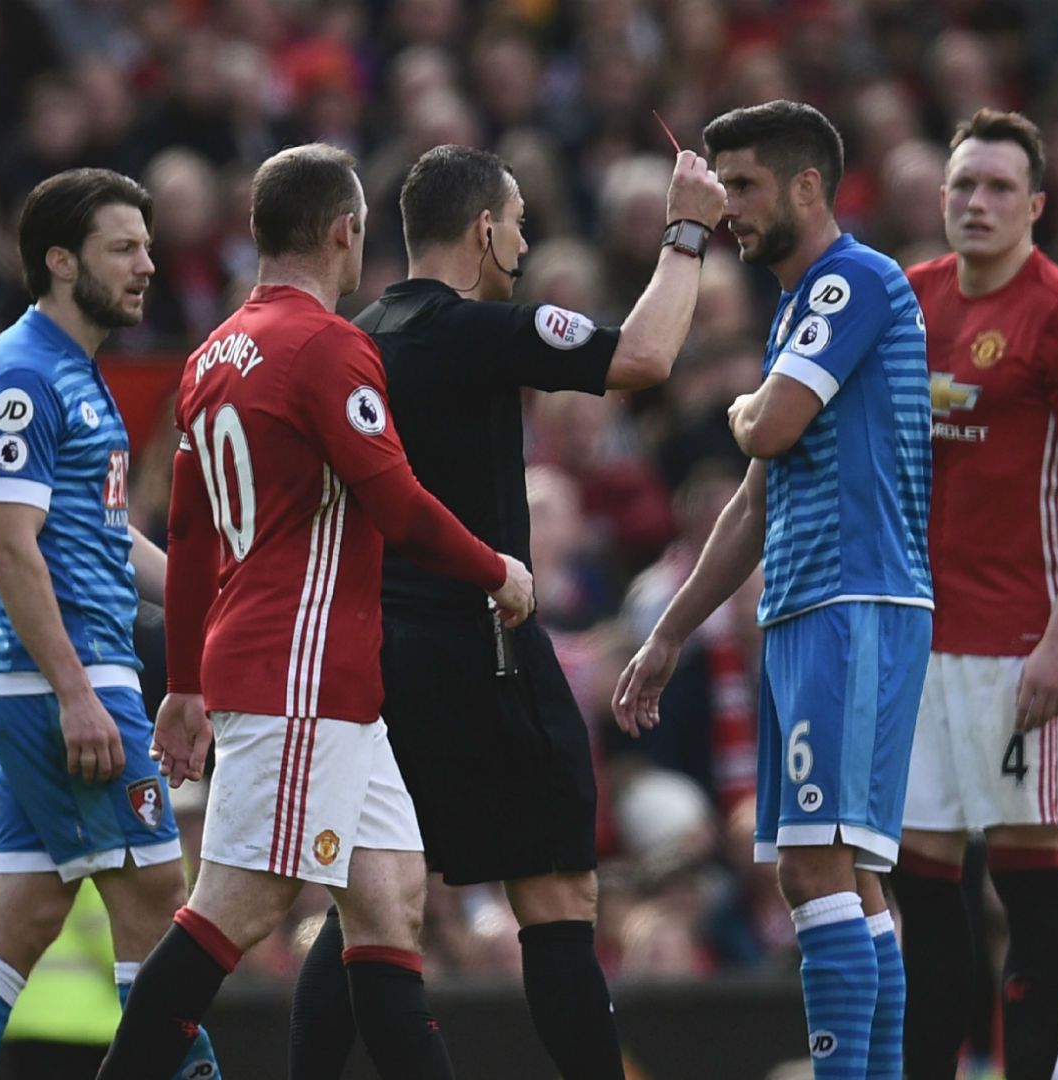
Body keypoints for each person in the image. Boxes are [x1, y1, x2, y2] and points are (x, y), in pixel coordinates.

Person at [283, 143, 725, 1080]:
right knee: (557, 895)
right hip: (481, 647)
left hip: (379, 660)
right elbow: (644, 357)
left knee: (369, 907)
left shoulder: (358, 336)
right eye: (518, 222)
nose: (524, 244)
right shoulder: (476, 330)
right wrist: (686, 229)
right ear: (485, 229)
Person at [95, 143, 535, 1080]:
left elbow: (188, 540)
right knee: (240, 908)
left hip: (312, 674)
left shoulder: (213, 354)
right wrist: (496, 569)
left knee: (388, 899)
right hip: (303, 669)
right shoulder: (329, 347)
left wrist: (183, 682)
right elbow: (401, 504)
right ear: (347, 232)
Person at [612, 99, 932, 1080]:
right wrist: (667, 634)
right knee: (855, 878)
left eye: (744, 186)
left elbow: (768, 428)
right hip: (817, 607)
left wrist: (750, 405)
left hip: (851, 604)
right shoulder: (802, 309)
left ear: (807, 186)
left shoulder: (851, 282)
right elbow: (754, 500)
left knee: (814, 868)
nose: (731, 210)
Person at [0, 167, 222, 1080]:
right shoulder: (20, 374)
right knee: (158, 907)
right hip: (64, 679)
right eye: (123, 248)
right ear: (61, 261)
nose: (146, 265)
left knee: (17, 924)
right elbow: (9, 547)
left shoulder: (74, 375)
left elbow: (98, 534)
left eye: (146, 246)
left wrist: (209, 606)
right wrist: (75, 692)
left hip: (74, 677)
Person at [892, 106, 1058, 1080]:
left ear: (1034, 204)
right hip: (922, 636)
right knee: (925, 885)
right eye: (963, 185)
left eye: (998, 188)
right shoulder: (905, 298)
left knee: (1025, 883)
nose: (977, 202)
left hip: (1025, 639)